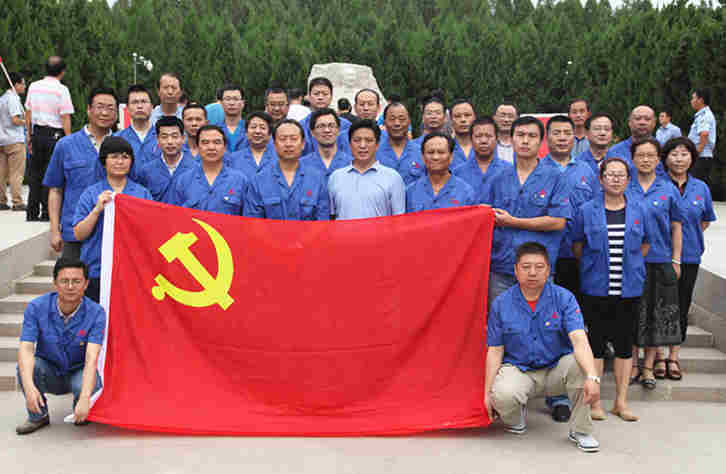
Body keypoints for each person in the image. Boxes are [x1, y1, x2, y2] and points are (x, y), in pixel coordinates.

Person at [485, 242, 601, 452]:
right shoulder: (501, 304)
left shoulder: (564, 298)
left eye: (539, 267)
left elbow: (579, 339)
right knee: (502, 394)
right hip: (520, 369)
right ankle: (515, 418)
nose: (532, 272)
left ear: (548, 270)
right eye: (526, 267)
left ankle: (581, 431)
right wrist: (487, 393)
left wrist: (593, 377)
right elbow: (495, 351)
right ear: (516, 270)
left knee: (579, 365)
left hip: (556, 369)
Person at [572, 157, 650, 422]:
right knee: (595, 345)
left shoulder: (640, 210)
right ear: (601, 179)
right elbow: (578, 246)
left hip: (629, 289)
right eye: (610, 174)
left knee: (625, 346)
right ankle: (595, 403)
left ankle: (621, 401)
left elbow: (645, 245)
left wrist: (629, 265)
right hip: (595, 289)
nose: (615, 179)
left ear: (628, 180)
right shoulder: (586, 210)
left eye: (621, 175)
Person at [15, 258, 105, 435]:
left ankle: (81, 411)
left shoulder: (96, 312)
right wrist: (29, 387)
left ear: (86, 284)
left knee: (89, 385)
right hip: (49, 370)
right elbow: (26, 348)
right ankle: (38, 416)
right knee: (29, 367)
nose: (70, 287)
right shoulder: (36, 307)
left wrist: (85, 397)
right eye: (64, 281)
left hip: (78, 371)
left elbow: (91, 358)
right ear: (55, 283)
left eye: (76, 281)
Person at [626, 138, 683, 390]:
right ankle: (632, 364)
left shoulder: (668, 189)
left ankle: (648, 366)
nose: (646, 159)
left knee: (655, 316)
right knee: (633, 313)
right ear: (633, 159)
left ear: (658, 159)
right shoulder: (625, 186)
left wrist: (676, 259)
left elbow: (677, 227)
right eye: (641, 155)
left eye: (651, 155)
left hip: (660, 260)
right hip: (630, 261)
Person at [661, 137, 716, 380]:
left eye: (684, 154)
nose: (679, 159)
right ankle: (658, 355)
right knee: (659, 306)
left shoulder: (700, 188)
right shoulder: (658, 185)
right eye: (674, 154)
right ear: (665, 159)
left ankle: (673, 356)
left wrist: (687, 241)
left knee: (681, 306)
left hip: (690, 256)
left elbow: (704, 220)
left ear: (692, 158)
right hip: (660, 256)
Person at [73, 137, 152, 302]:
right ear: (104, 161)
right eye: (114, 157)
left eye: (125, 157)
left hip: (132, 271)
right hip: (97, 270)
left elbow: (151, 234)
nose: (120, 162)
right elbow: (79, 234)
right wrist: (96, 210)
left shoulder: (142, 194)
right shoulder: (91, 193)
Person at [43, 87, 117, 260]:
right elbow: (55, 190)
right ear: (89, 109)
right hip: (75, 232)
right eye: (99, 107)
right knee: (72, 277)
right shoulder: (66, 145)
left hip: (113, 232)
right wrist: (54, 230)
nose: (105, 113)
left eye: (110, 108)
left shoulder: (122, 145)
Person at [244, 119, 328, 220]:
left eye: (293, 139)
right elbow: (253, 223)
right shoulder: (259, 181)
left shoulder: (317, 179)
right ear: (274, 145)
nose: (288, 144)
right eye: (282, 139)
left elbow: (322, 221)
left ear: (303, 144)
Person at [24, 56, 74, 221]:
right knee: (51, 174)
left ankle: (31, 212)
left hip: (37, 133)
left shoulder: (33, 86)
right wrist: (69, 140)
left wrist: (28, 135)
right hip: (55, 135)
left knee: (35, 174)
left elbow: (28, 112)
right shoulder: (62, 90)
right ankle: (47, 212)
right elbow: (65, 116)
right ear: (62, 72)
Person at [328, 119, 405, 220]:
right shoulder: (336, 177)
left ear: (377, 144)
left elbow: (399, 220)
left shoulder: (393, 177)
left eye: (369, 140)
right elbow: (331, 216)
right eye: (357, 140)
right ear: (350, 144)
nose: (362, 145)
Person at [166, 125, 248, 215]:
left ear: (225, 147)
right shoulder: (183, 181)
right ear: (198, 147)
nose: (211, 147)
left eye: (217, 142)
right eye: (205, 142)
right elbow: (173, 216)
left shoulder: (240, 180)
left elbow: (248, 218)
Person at [406, 132, 475, 212]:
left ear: (451, 157)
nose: (435, 157)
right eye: (430, 152)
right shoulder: (411, 191)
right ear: (423, 157)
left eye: (441, 152)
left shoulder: (465, 192)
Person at [453, 116, 512, 203]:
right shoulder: (457, 173)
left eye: (489, 136)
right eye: (478, 136)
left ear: (497, 139)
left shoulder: (510, 171)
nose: (483, 141)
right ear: (471, 139)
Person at [136, 116, 196, 202]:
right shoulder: (146, 171)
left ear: (183, 138)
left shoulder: (195, 169)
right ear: (157, 139)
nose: (170, 142)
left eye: (174, 136)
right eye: (164, 137)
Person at [114, 84, 157, 179]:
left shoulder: (163, 137)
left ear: (152, 107)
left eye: (144, 102)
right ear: (127, 108)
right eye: (134, 102)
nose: (140, 106)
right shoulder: (117, 139)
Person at [300, 77, 352, 155]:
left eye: (325, 94)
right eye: (316, 94)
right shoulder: (301, 126)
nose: (320, 97)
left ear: (331, 97)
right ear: (309, 97)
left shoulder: (345, 125)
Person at [0, 71, 27, 211]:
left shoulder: (2, 99)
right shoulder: (13, 99)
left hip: (2, 140)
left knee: (1, 173)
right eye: (23, 84)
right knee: (16, 173)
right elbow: (15, 120)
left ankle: (1, 200)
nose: (24, 86)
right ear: (15, 84)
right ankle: (17, 202)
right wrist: (27, 122)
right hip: (15, 140)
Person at [300, 108, 352, 178]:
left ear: (338, 130)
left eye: (331, 126)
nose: (327, 130)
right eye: (321, 126)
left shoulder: (351, 164)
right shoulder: (301, 165)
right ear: (312, 132)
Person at [226, 111, 277, 177]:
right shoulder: (233, 159)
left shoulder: (278, 157)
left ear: (270, 134)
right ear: (246, 132)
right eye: (253, 127)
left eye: (262, 128)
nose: (257, 131)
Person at [606, 105, 657, 170]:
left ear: (654, 123)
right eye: (637, 119)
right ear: (629, 123)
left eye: (647, 119)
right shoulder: (615, 152)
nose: (642, 122)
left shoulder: (663, 151)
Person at [375, 101, 415, 178]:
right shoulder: (373, 153)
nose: (397, 123)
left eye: (402, 119)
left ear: (409, 121)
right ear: (384, 122)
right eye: (392, 119)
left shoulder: (421, 153)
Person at [687, 88, 717, 185]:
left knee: (696, 186)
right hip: (701, 157)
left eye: (693, 98)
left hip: (701, 157)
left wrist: (695, 154)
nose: (691, 101)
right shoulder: (701, 115)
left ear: (701, 100)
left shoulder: (704, 115)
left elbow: (704, 135)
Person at [577, 113, 615, 178]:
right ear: (586, 133)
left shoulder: (621, 161)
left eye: (607, 129)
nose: (602, 133)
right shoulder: (577, 163)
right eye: (597, 129)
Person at [217, 84, 248, 152]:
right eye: (227, 99)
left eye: (236, 99)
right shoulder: (214, 130)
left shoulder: (251, 129)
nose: (232, 103)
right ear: (221, 103)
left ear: (243, 103)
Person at [450, 99, 477, 167]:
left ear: (475, 118)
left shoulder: (486, 146)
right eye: (457, 116)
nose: (463, 120)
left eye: (467, 115)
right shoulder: (445, 148)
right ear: (451, 120)